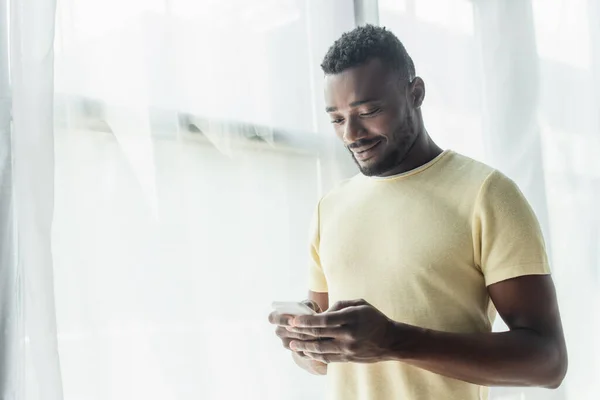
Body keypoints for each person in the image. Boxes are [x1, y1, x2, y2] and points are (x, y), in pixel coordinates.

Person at [268, 25, 567, 400]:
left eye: (369, 111)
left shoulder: (486, 194)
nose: (351, 134)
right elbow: (324, 360)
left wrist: (395, 340)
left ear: (416, 93)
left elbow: (549, 362)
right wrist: (303, 340)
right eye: (337, 119)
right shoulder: (330, 208)